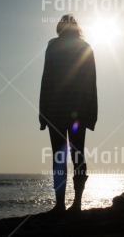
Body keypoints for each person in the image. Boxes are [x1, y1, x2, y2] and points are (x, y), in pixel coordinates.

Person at [39, 14, 98, 214]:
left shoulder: (54, 46)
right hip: (78, 113)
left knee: (59, 157)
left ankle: (61, 205)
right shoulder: (85, 47)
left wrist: (42, 111)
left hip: (57, 111)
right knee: (77, 155)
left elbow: (47, 80)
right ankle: (76, 204)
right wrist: (92, 114)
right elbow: (91, 84)